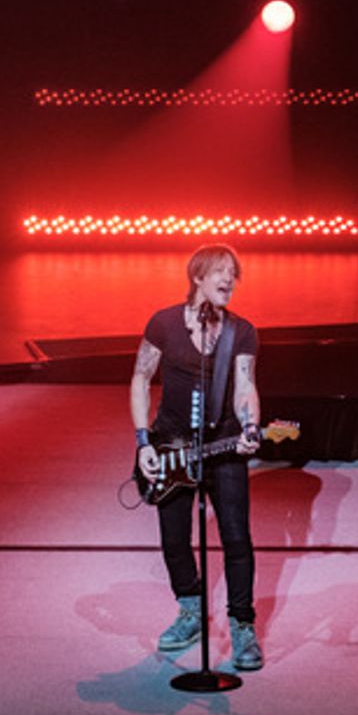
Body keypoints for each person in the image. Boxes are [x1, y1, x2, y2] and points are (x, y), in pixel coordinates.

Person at [130, 244, 264, 671]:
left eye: (234, 274)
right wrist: (143, 442)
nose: (229, 280)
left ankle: (242, 624)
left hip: (222, 443)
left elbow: (245, 385)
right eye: (221, 272)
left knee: (236, 537)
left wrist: (249, 426)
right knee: (173, 537)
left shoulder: (241, 332)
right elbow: (140, 378)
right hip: (169, 443)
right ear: (198, 277)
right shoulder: (164, 323)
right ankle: (190, 609)